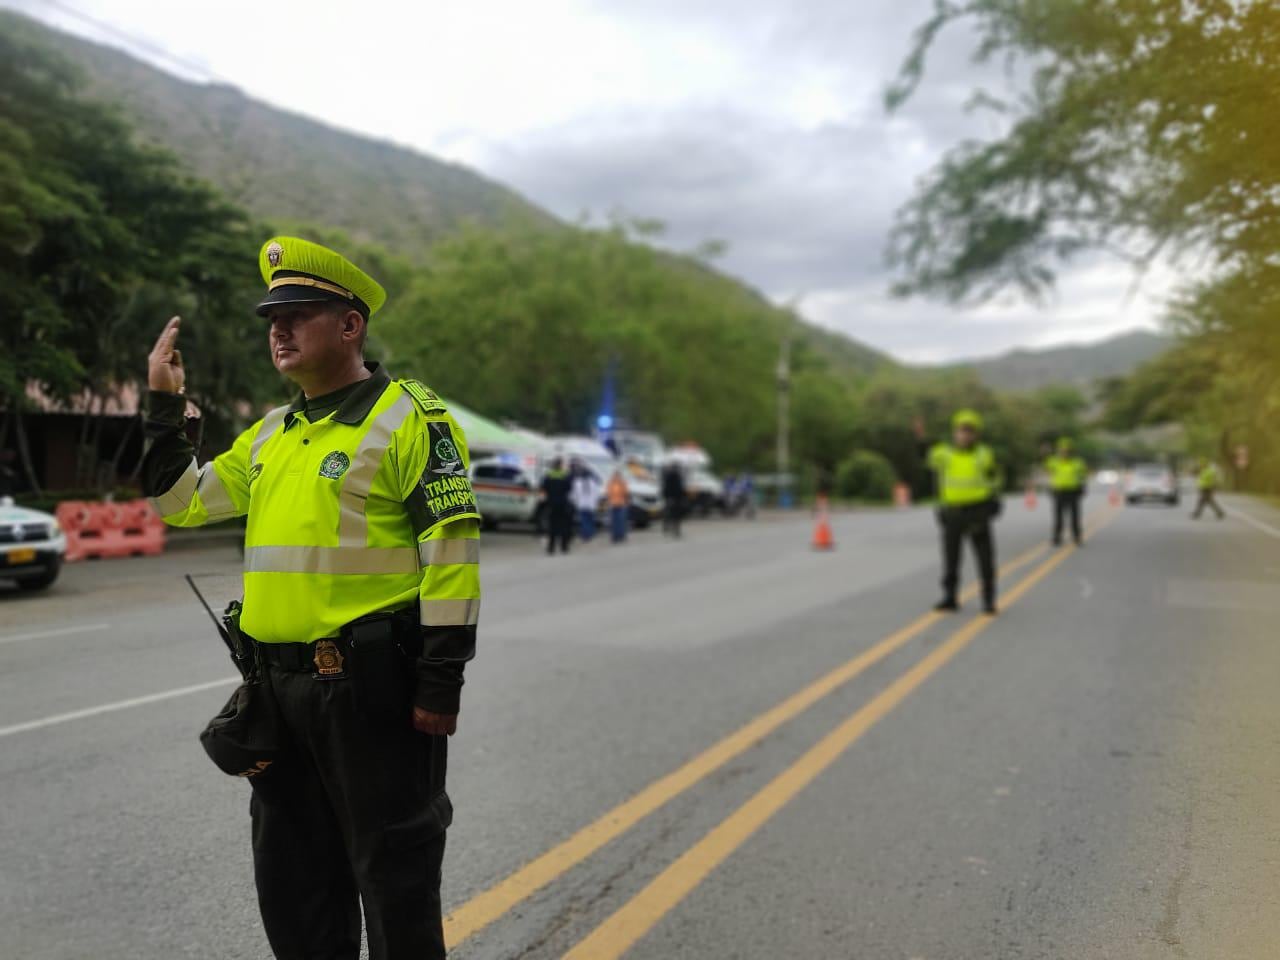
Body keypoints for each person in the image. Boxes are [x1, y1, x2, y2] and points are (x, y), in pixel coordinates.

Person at [142, 237, 481, 960]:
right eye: (273, 317)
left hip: (371, 696)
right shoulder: (272, 434)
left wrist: (440, 681)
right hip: (278, 692)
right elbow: (180, 503)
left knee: (396, 887)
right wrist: (164, 408)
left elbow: (452, 552)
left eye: (298, 314)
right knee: (296, 894)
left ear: (350, 325)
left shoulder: (410, 419)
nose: (279, 331)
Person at [916, 410, 1004, 615]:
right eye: (961, 431)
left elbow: (995, 479)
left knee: (985, 559)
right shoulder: (943, 453)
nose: (964, 435)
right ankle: (950, 597)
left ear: (976, 434)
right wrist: (920, 437)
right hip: (953, 512)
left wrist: (993, 503)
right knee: (951, 558)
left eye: (969, 431)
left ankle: (989, 599)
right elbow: (925, 455)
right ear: (954, 433)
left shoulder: (985, 454)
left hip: (978, 511)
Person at [1045, 437, 1088, 546]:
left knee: (1075, 516)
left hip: (1073, 491)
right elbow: (1048, 472)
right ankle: (1057, 537)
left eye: (1066, 450)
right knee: (1058, 516)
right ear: (1058, 450)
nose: (1064, 452)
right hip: (1059, 491)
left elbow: (1083, 476)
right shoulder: (1053, 461)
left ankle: (1077, 537)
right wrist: (1050, 487)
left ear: (1070, 451)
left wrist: (1083, 488)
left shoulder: (1077, 462)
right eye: (1062, 450)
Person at [540, 457, 573, 554]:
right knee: (564, 526)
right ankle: (564, 547)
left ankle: (551, 548)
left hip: (551, 504)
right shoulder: (565, 476)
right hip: (563, 503)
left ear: (553, 465)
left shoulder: (548, 476)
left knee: (552, 526)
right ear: (561, 465)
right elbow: (569, 488)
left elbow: (543, 488)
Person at [571, 459, 601, 541]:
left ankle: (585, 535)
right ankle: (591, 533)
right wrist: (595, 501)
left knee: (584, 520)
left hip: (582, 504)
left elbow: (574, 495)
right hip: (591, 504)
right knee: (590, 519)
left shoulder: (577, 482)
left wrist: (576, 502)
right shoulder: (593, 483)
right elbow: (597, 494)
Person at [661, 459, 687, 538]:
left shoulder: (677, 476)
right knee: (671, 512)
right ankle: (670, 527)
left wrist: (683, 495)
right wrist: (669, 497)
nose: (678, 469)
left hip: (676, 497)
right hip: (672, 497)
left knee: (674, 513)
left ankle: (674, 528)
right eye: (677, 467)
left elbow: (680, 488)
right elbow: (668, 488)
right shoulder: (671, 476)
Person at [607, 467, 630, 543]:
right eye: (615, 475)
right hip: (613, 504)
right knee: (614, 521)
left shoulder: (622, 483)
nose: (616, 477)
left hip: (621, 504)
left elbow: (626, 493)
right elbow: (608, 493)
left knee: (621, 521)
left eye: (617, 475)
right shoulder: (611, 483)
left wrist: (626, 502)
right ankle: (615, 536)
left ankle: (621, 535)